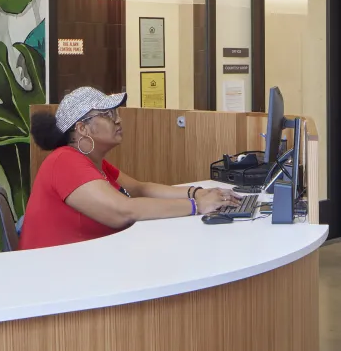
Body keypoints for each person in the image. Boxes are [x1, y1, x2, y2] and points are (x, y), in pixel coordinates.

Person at [19, 87, 239, 249]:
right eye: (108, 114)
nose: (119, 120)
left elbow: (141, 189)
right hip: (58, 276)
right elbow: (123, 211)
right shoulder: (65, 162)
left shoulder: (93, 162)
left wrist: (199, 193)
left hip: (83, 263)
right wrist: (197, 205)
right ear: (82, 128)